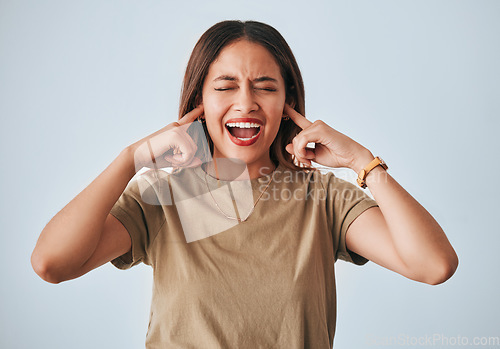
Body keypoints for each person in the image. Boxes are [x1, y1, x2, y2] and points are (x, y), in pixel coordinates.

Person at [31, 20, 458, 348]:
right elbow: (52, 263)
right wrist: (131, 159)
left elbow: (434, 265)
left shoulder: (324, 199)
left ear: (287, 104)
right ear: (200, 100)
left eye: (265, 87)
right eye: (226, 86)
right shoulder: (162, 197)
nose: (246, 103)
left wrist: (362, 161)